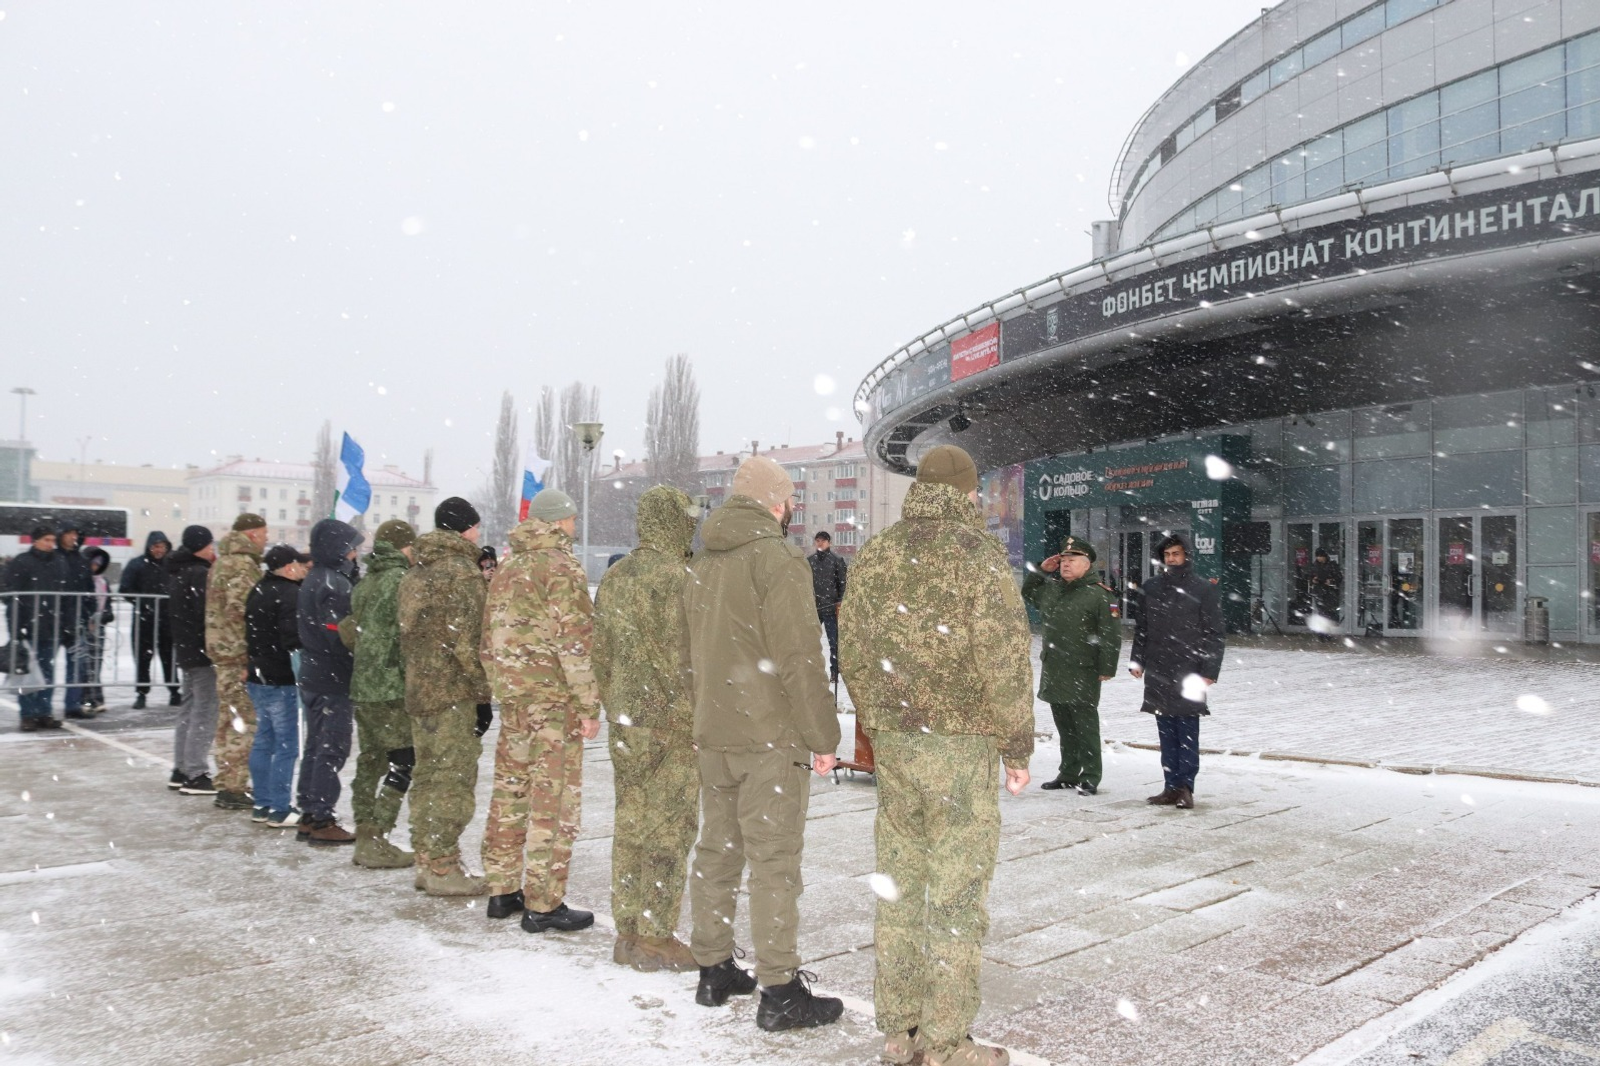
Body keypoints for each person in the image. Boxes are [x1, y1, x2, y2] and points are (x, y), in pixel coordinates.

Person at [839, 443, 1033, 1066]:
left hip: (896, 742)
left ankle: (900, 1032)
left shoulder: (877, 553)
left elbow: (852, 650)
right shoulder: (978, 555)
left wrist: (878, 719)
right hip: (960, 744)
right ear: (968, 492)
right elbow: (1004, 659)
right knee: (956, 895)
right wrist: (1017, 746)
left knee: (898, 883)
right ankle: (946, 1043)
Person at [680, 455, 844, 1032]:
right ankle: (780, 991)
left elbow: (688, 652)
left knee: (717, 852)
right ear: (778, 503)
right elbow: (799, 657)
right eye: (790, 500)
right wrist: (824, 736)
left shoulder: (703, 560)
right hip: (769, 736)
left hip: (716, 732)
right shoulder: (777, 558)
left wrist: (704, 715)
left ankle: (713, 967)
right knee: (774, 861)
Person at [479, 488, 602, 932]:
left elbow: (488, 639)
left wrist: (504, 686)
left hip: (515, 700)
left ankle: (502, 890)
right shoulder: (561, 567)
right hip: (553, 703)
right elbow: (575, 643)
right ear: (560, 521)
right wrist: (588, 704)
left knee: (510, 794)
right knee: (554, 801)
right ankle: (544, 904)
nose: (574, 525)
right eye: (571, 519)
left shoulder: (508, 567)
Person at [592, 485, 699, 971]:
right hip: (672, 724)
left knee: (631, 821)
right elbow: (690, 658)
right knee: (670, 827)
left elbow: (600, 652)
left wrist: (616, 700)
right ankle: (656, 935)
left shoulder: (616, 576)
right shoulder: (680, 578)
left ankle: (628, 930)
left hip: (626, 721)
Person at [398, 496, 493, 896]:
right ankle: (442, 866)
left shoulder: (417, 571)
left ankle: (427, 860)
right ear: (466, 529)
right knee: (452, 780)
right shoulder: (462, 574)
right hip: (453, 692)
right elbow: (469, 643)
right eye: (475, 526)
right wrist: (484, 694)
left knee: (427, 776)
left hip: (420, 690)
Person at [1128, 533, 1225, 811]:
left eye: (1176, 554)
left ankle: (1186, 788)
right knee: (1166, 732)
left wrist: (1209, 670)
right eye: (1167, 555)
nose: (1171, 559)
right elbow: (1142, 628)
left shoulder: (1203, 589)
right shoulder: (1151, 587)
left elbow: (1215, 633)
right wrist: (1137, 661)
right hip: (1159, 668)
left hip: (1189, 669)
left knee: (1187, 731)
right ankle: (1170, 786)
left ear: (1187, 556)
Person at [342, 519, 418, 869]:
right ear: (405, 546)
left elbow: (351, 631)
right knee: (404, 760)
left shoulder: (366, 581)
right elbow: (407, 637)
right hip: (392, 688)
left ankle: (364, 831)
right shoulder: (402, 581)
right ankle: (378, 837)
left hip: (363, 684)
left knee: (370, 760)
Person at [1022, 535, 1121, 796]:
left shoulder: (1099, 595)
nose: (1065, 564)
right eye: (1063, 560)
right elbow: (1028, 592)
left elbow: (1110, 635)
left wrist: (1107, 668)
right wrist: (1042, 570)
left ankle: (1090, 776)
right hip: (1055, 668)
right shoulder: (1053, 589)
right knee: (1064, 727)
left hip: (1083, 670)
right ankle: (1068, 773)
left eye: (1072, 560)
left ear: (1087, 564)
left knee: (1085, 726)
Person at [294, 518, 364, 845]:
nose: (355, 553)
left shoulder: (317, 577)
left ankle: (310, 812)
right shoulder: (332, 583)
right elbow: (339, 635)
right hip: (331, 676)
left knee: (316, 745)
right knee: (331, 747)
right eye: (351, 547)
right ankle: (321, 817)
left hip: (315, 673)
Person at [245, 544, 310, 828]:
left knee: (264, 740)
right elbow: (291, 638)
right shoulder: (290, 593)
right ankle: (280, 808)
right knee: (286, 745)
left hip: (258, 675)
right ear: (288, 567)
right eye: (298, 564)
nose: (301, 569)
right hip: (281, 677)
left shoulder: (258, 589)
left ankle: (262, 803)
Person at [206, 513, 268, 811]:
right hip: (237, 653)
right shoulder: (243, 565)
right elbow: (242, 611)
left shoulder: (221, 562)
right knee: (242, 722)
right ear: (252, 534)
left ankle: (226, 781)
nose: (266, 541)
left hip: (223, 651)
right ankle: (234, 786)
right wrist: (251, 656)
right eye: (264, 535)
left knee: (227, 720)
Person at [166, 525, 220, 793]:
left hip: (187, 649)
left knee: (189, 708)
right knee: (204, 709)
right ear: (201, 546)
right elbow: (207, 614)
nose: (213, 549)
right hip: (202, 651)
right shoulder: (199, 573)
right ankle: (195, 772)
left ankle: (181, 768)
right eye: (210, 544)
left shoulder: (180, 571)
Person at [4, 527, 66, 731]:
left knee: (47, 672)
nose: (50, 544)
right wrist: (15, 628)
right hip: (28, 626)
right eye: (46, 539)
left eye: (52, 540)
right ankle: (28, 714)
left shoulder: (58, 562)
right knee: (27, 672)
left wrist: (65, 623)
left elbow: (65, 595)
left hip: (51, 626)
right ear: (35, 541)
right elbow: (12, 596)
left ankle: (44, 712)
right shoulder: (22, 562)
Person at [119, 531, 179, 709]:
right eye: (155, 546)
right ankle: (142, 693)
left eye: (162, 546)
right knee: (142, 658)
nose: (159, 550)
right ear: (149, 547)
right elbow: (125, 588)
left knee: (169, 657)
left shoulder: (172, 565)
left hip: (167, 620)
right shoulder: (137, 564)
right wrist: (143, 603)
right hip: (144, 620)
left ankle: (174, 691)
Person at [55, 521, 94, 719]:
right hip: (51, 619)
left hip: (76, 619)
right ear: (60, 535)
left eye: (76, 534)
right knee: (46, 666)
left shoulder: (81, 560)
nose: (73, 537)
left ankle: (73, 704)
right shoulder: (53, 557)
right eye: (69, 533)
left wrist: (90, 614)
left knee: (77, 665)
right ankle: (40, 709)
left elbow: (89, 589)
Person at [808, 530, 848, 683]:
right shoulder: (810, 561)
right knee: (810, 641)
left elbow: (843, 583)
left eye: (823, 541)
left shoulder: (837, 560)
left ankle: (834, 672)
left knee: (834, 643)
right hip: (814, 608)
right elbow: (805, 583)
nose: (820, 543)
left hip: (831, 607)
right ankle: (812, 671)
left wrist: (840, 601)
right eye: (818, 540)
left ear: (829, 542)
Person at [80, 547, 114, 714]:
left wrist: (104, 616)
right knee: (85, 664)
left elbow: (108, 605)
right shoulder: (81, 580)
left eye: (98, 564)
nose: (95, 567)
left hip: (99, 627)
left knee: (95, 664)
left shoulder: (103, 581)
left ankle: (96, 697)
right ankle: (87, 698)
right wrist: (87, 619)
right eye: (92, 563)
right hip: (83, 627)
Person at [1308, 547, 1343, 641]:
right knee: (1321, 612)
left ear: (1325, 556)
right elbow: (1309, 576)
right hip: (1319, 592)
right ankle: (1322, 633)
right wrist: (1313, 580)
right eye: (1318, 556)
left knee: (1328, 613)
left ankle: (1327, 632)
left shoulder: (1332, 565)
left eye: (1321, 556)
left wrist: (1331, 581)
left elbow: (1339, 577)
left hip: (1329, 592)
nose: (1319, 558)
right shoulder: (1314, 565)